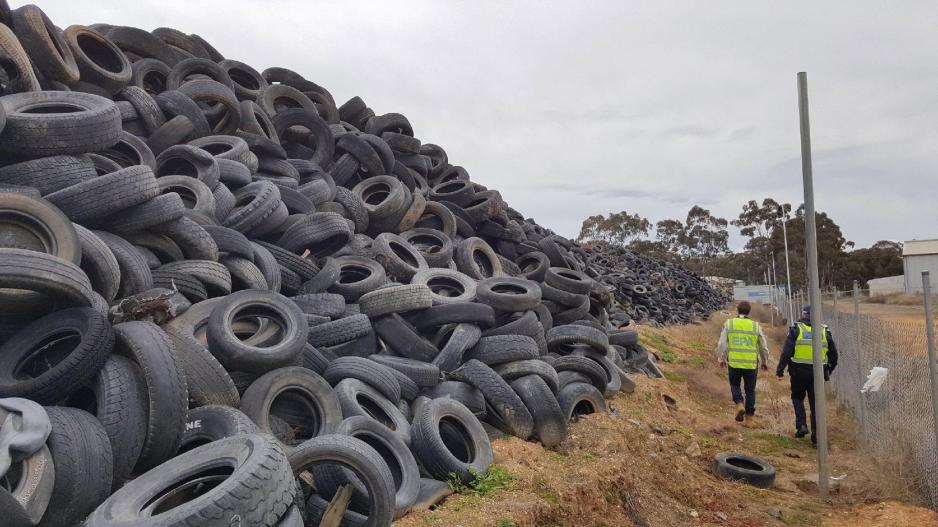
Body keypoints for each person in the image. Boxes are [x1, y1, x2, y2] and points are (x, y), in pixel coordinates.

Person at [776, 306, 839, 446]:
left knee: (797, 398)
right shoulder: (824, 331)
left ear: (803, 314)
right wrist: (829, 368)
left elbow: (787, 352)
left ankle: (802, 426)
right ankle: (817, 437)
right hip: (818, 373)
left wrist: (780, 370)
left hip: (798, 372)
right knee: (816, 404)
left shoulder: (796, 329)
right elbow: (834, 355)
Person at [716, 301, 771, 427]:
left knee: (735, 385)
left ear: (737, 310)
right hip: (751, 364)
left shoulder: (729, 323)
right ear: (749, 311)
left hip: (734, 362)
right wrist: (764, 362)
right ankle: (750, 420)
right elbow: (763, 346)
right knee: (750, 390)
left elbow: (722, 344)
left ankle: (739, 404)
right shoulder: (755, 326)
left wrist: (722, 359)